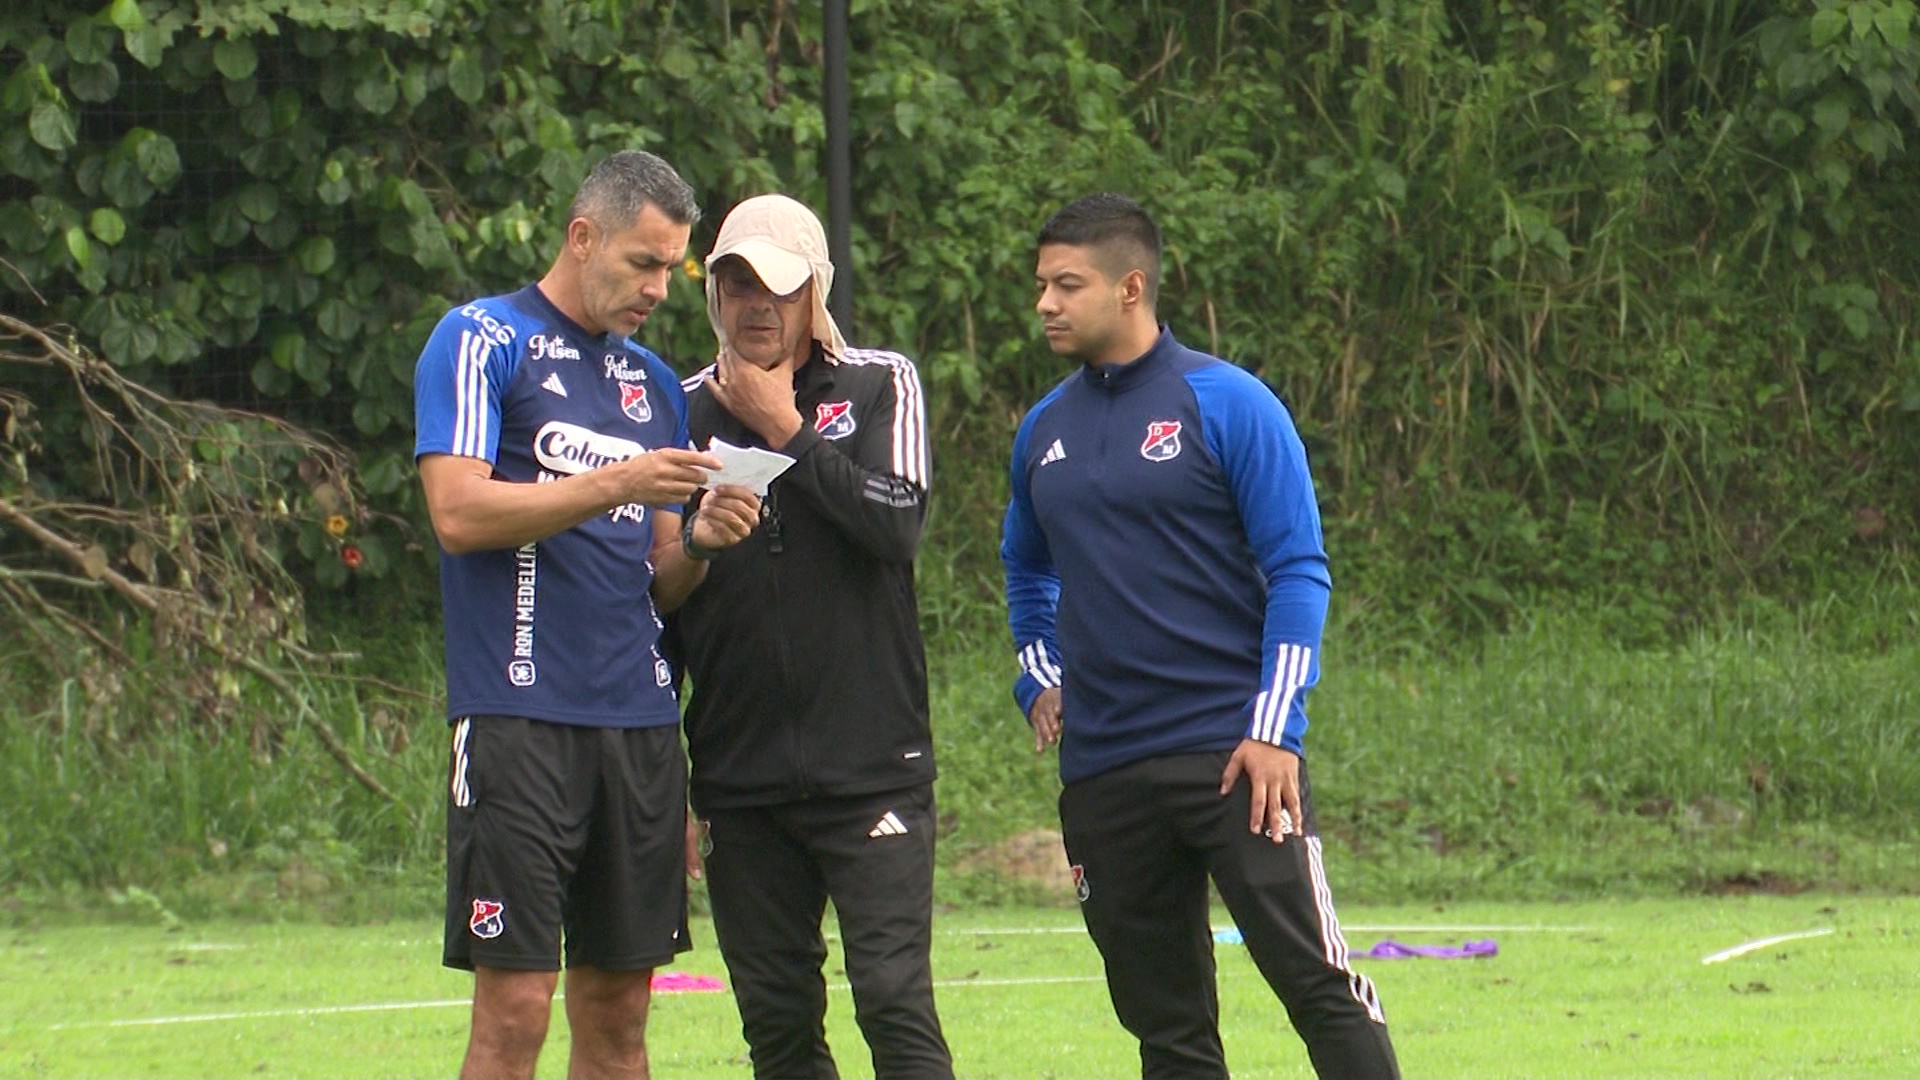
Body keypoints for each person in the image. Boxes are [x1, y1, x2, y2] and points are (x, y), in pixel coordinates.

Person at [1000, 193, 1402, 1080]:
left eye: (1068, 285)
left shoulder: (1230, 405)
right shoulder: (1043, 431)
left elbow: (1300, 571)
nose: (1045, 305)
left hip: (1233, 758)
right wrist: (1039, 676)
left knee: (1317, 986)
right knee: (1167, 1028)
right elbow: (1027, 571)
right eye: (1041, 285)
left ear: (1130, 287)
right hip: (1104, 772)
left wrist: (1273, 733)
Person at [412, 149, 762, 1080]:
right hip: (519, 717)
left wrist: (699, 541)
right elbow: (456, 512)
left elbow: (657, 577)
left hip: (640, 729)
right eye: (643, 263)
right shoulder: (483, 338)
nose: (658, 287)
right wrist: (618, 479)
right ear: (582, 237)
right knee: (515, 1009)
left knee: (618, 1016)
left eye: (671, 269)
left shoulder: (651, 383)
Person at [659, 193, 954, 1080]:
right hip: (739, 778)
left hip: (872, 770)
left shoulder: (878, 382)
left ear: (815, 293)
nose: (756, 304)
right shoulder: (670, 411)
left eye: (777, 288)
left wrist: (781, 423)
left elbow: (897, 524)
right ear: (711, 293)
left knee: (893, 1003)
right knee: (779, 1028)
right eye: (735, 282)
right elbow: (653, 603)